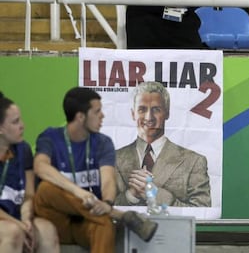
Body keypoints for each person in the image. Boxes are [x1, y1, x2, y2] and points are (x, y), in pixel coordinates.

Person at [33, 87, 157, 253]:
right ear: (80, 117)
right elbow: (40, 167)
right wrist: (79, 193)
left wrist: (106, 203)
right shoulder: (51, 137)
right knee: (45, 189)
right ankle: (118, 215)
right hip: (56, 221)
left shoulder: (102, 143)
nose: (102, 116)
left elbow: (108, 180)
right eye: (97, 112)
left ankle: (109, 212)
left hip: (87, 220)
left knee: (104, 224)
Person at [115, 81, 211, 207]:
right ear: (133, 114)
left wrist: (156, 194)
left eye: (156, 109)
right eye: (142, 109)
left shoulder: (194, 161)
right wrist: (131, 195)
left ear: (167, 113)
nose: (149, 117)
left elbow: (202, 213)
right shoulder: (113, 159)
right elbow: (100, 209)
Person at [0, 92, 59, 253]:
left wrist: (26, 219)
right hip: (7, 222)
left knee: (47, 231)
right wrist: (19, 225)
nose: (22, 126)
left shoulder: (23, 150)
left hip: (16, 217)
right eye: (15, 122)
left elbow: (29, 194)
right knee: (13, 232)